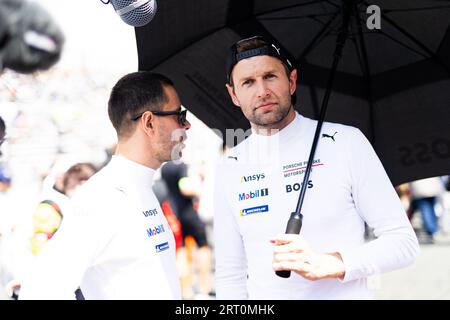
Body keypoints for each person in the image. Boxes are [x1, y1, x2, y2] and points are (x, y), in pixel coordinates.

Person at [213, 35, 420, 299]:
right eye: (248, 82)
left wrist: (335, 263)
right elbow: (230, 276)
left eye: (271, 76)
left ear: (292, 81)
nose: (262, 91)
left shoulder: (346, 142)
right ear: (233, 94)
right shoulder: (230, 166)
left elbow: (403, 242)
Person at [19, 71, 190, 299]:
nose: (186, 125)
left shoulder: (138, 186)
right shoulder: (102, 197)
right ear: (149, 122)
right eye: (179, 115)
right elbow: (39, 291)